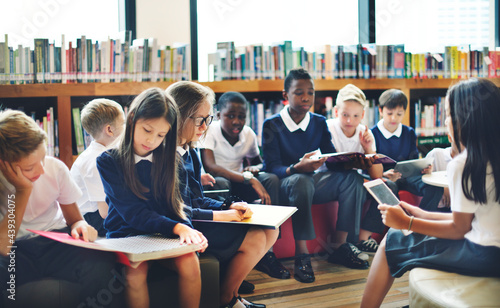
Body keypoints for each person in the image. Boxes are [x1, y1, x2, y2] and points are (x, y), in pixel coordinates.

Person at [360, 78, 500, 308]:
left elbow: (459, 228)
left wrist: (408, 222)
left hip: (484, 254)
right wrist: (419, 214)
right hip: (491, 247)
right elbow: (472, 221)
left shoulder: (464, 163)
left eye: (447, 114)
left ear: (462, 121)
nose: (446, 121)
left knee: (392, 240)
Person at [167, 81, 276, 308]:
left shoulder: (191, 151)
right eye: (200, 119)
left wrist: (227, 207)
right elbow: (179, 210)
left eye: (208, 119)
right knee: (256, 238)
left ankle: (232, 294)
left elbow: (197, 197)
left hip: (198, 218)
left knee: (270, 230)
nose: (205, 126)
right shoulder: (167, 158)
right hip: (184, 227)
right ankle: (225, 298)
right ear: (179, 115)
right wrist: (220, 215)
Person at [96, 88, 208, 308]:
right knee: (135, 274)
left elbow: (179, 205)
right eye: (147, 130)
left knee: (190, 263)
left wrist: (188, 231)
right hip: (125, 235)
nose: (151, 140)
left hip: (162, 234)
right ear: (132, 119)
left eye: (161, 135)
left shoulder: (171, 158)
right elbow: (133, 213)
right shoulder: (108, 161)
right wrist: (178, 228)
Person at [262, 68, 373, 282]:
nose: (306, 97)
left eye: (311, 92)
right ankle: (301, 254)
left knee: (352, 178)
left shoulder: (319, 122)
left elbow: (330, 159)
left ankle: (340, 246)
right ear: (285, 96)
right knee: (302, 181)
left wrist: (350, 162)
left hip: (313, 182)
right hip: (287, 183)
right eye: (299, 92)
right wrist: (296, 168)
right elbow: (271, 166)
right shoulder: (272, 125)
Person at [0, 109, 116, 306]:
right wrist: (22, 191)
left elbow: (75, 219)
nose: (42, 170)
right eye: (30, 168)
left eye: (43, 158)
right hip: (14, 250)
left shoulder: (55, 168)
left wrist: (80, 226)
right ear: (4, 165)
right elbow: (3, 245)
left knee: (101, 264)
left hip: (54, 242)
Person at [200, 91, 289, 280]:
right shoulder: (211, 131)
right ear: (218, 116)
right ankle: (229, 253)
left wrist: (253, 171)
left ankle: (268, 252)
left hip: (240, 181)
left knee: (270, 178)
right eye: (230, 116)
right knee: (221, 182)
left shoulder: (248, 134)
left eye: (241, 117)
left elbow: (259, 163)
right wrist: (248, 178)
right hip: (219, 183)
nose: (236, 121)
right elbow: (211, 167)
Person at [326, 84, 386, 253]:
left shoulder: (365, 133)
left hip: (355, 183)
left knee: (386, 186)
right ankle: (342, 243)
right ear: (336, 112)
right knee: (354, 179)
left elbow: (377, 176)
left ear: (363, 115)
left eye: (355, 116)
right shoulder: (328, 128)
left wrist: (368, 149)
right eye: (345, 115)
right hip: (331, 181)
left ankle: (363, 238)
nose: (349, 121)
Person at [371, 89, 443, 212]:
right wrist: (383, 174)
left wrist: (423, 169)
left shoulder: (408, 132)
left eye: (399, 114)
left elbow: (413, 160)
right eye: (389, 113)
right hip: (386, 178)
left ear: (404, 112)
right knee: (390, 186)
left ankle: (420, 221)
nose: (394, 118)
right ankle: (400, 223)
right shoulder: (372, 134)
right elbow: (369, 166)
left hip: (407, 177)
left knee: (435, 187)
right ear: (380, 110)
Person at [70, 98, 125, 236]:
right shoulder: (96, 161)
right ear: (109, 130)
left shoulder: (102, 153)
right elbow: (105, 212)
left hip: (95, 213)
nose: (126, 128)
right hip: (89, 218)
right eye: (123, 123)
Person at [425, 134, 460, 210]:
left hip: (461, 208)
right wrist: (442, 188)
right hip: (438, 208)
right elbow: (422, 180)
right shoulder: (436, 154)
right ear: (450, 138)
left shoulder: (472, 159)